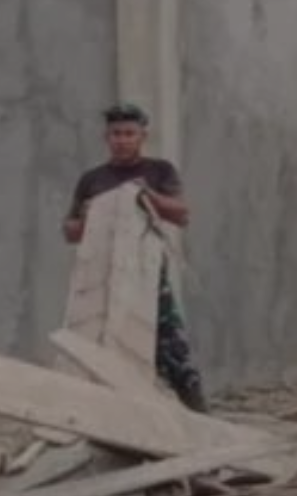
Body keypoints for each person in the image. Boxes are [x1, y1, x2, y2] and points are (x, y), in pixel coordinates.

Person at [64, 102, 208, 412]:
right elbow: (70, 232)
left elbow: (182, 214)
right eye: (116, 134)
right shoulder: (92, 179)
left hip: (146, 276)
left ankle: (199, 415)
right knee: (99, 340)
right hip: (101, 276)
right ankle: (103, 412)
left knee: (171, 346)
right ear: (107, 137)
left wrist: (147, 196)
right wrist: (89, 216)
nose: (122, 140)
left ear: (143, 136)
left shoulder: (159, 171)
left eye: (129, 133)